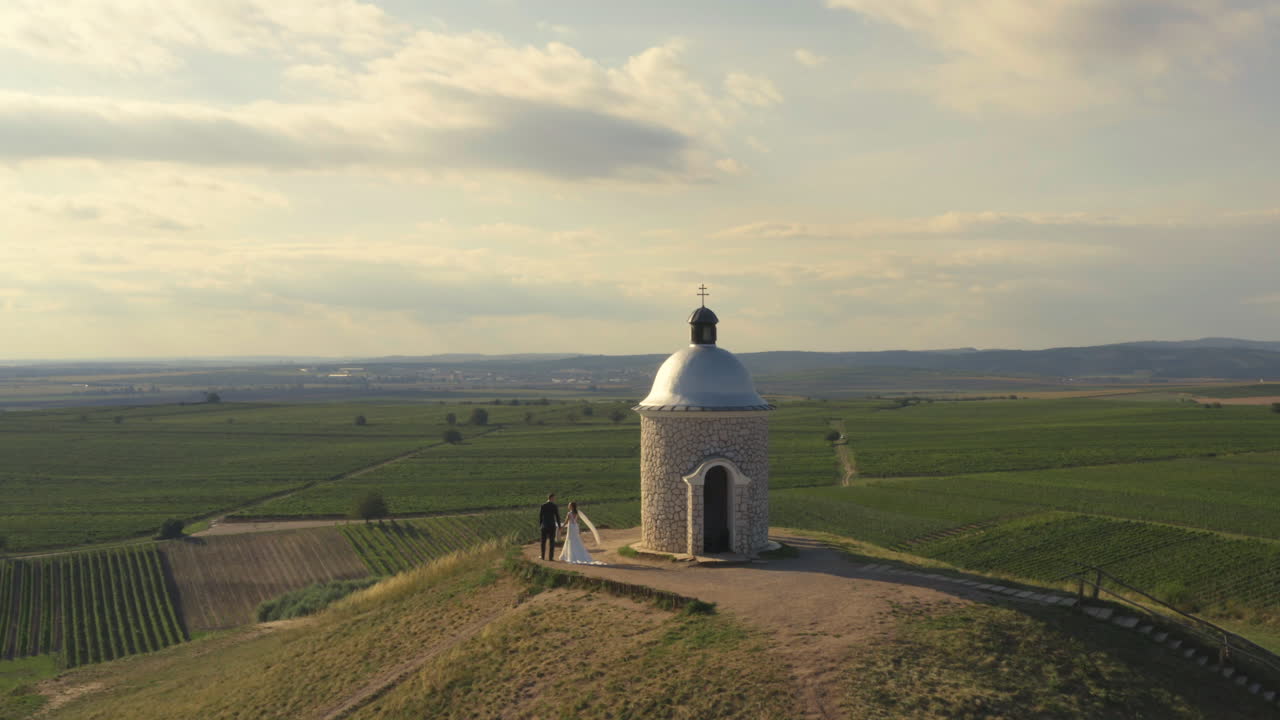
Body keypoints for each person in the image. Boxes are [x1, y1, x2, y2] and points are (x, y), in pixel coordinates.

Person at [539, 493, 561, 561]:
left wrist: (540, 524)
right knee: (552, 542)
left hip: (544, 526)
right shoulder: (554, 506)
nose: (554, 499)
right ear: (551, 498)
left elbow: (540, 516)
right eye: (554, 498)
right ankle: (550, 558)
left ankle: (542, 556)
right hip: (552, 525)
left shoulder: (543, 505)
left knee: (543, 542)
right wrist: (559, 525)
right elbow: (557, 516)